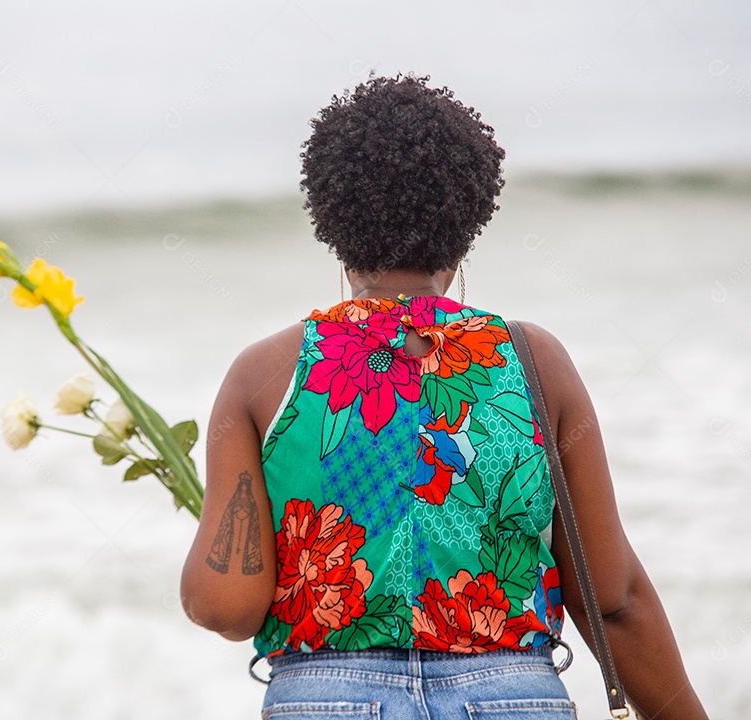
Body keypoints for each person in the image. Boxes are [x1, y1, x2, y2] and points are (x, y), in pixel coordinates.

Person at [181, 74, 707, 719]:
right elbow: (613, 600)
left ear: (333, 225)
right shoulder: (533, 360)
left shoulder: (265, 372)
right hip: (511, 696)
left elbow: (224, 606)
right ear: (465, 229)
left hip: (327, 700)